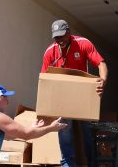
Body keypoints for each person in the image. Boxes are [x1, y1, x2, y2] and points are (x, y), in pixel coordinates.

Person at [41, 19, 108, 167]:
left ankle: (91, 163)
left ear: (69, 33)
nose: (59, 40)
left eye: (62, 36)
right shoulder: (50, 52)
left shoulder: (83, 43)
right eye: (56, 38)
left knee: (87, 132)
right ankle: (67, 164)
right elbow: (44, 80)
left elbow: (101, 63)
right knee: (64, 130)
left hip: (82, 95)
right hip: (62, 97)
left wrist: (102, 80)